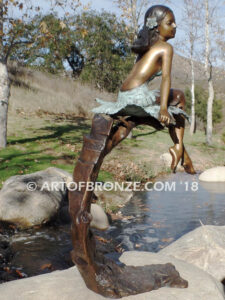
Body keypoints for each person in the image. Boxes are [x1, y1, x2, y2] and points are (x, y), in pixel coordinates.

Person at [92, 5, 196, 174]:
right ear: (157, 26)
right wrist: (163, 108)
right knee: (179, 96)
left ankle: (94, 166)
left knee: (124, 129)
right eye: (170, 22)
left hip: (125, 95)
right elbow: (166, 78)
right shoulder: (165, 47)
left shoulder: (145, 47)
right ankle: (178, 147)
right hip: (138, 96)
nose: (175, 26)